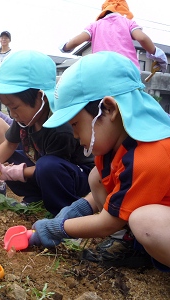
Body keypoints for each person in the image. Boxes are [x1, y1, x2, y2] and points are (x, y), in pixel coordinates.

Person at [28, 51, 170, 270]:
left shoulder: (148, 157)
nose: (74, 135)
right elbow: (109, 192)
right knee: (96, 176)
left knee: (145, 222)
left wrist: (57, 228)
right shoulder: (116, 150)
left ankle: (136, 243)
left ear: (109, 109)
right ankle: (129, 243)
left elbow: (106, 223)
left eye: (75, 124)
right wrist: (75, 210)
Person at [0, 50, 94, 215]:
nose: (12, 114)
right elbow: (9, 144)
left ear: (41, 97)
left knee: (47, 167)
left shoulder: (61, 128)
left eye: (15, 107)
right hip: (46, 168)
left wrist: (12, 172)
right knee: (8, 159)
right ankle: (35, 196)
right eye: (9, 108)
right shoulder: (26, 119)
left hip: (76, 176)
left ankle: (62, 211)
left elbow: (51, 169)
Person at [60, 0, 168, 72]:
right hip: (127, 71)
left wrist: (65, 46)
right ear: (124, 11)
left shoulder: (95, 26)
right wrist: (158, 55)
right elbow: (142, 38)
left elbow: (75, 42)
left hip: (101, 71)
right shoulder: (127, 22)